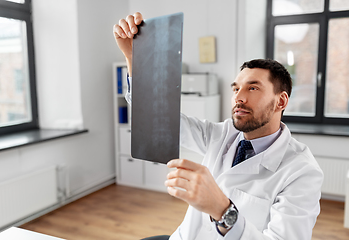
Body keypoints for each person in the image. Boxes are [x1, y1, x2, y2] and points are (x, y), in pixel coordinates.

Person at [113, 12, 324, 240]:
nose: (238, 98)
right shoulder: (222, 134)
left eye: (253, 88)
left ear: (280, 101)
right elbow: (157, 120)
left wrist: (223, 211)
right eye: (236, 89)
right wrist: (136, 58)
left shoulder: (302, 172)